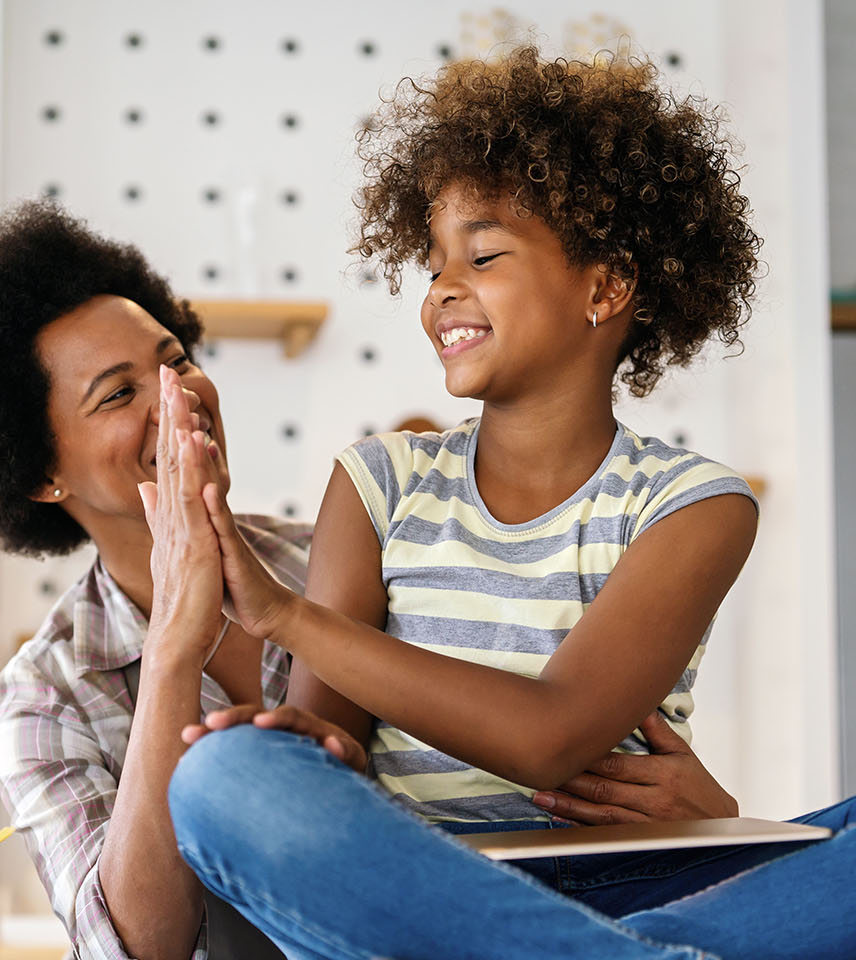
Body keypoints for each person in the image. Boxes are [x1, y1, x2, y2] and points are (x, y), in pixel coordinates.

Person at [0, 200, 741, 960]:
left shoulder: (352, 546)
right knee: (223, 771)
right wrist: (174, 649)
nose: (177, 399)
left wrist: (717, 823)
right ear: (42, 473)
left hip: (534, 909)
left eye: (175, 360)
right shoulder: (43, 699)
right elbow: (140, 951)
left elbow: (552, 735)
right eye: (120, 394)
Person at [159, 47, 855, 959]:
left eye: (483, 255)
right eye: (435, 263)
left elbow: (550, 736)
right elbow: (334, 736)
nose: (443, 289)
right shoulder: (378, 481)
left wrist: (282, 613)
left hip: (636, 873)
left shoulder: (694, 505)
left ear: (606, 288)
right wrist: (307, 748)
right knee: (219, 776)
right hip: (425, 882)